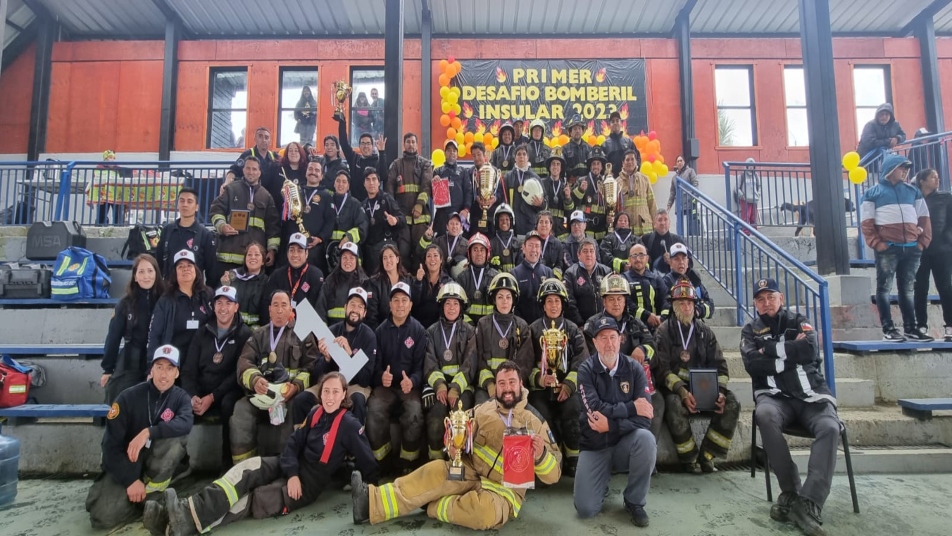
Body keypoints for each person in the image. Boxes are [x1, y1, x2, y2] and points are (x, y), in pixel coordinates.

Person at [152, 372, 379, 536]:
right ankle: (182, 511)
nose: (330, 397)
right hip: (288, 465)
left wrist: (372, 491)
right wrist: (291, 473)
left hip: (306, 486)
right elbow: (293, 443)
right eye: (326, 391)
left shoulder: (349, 424)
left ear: (343, 395)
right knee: (245, 470)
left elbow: (367, 460)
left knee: (255, 499)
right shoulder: (315, 414)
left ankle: (180, 522)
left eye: (335, 392)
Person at [351, 361, 561, 530]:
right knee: (432, 472)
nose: (507, 388)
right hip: (468, 471)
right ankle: (369, 503)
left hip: (503, 490)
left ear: (521, 384)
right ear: (496, 386)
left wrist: (541, 455)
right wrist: (453, 445)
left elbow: (554, 475)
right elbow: (458, 428)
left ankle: (434, 505)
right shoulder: (484, 409)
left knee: (484, 513)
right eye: (502, 383)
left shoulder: (535, 421)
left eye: (512, 382)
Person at [741, 278, 839, 536]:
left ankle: (810, 502)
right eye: (760, 299)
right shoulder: (750, 330)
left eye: (771, 297)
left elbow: (810, 348)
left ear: (781, 298)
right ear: (755, 303)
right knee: (764, 415)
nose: (766, 302)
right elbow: (753, 364)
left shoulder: (798, 320)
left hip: (811, 394)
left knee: (830, 427)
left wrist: (771, 349)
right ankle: (791, 491)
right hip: (774, 396)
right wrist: (790, 357)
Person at [85, 344, 192, 530]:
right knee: (102, 518)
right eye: (159, 367)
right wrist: (130, 480)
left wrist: (149, 432)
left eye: (170, 368)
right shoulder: (127, 398)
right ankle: (139, 502)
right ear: (152, 369)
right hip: (129, 462)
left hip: (155, 462)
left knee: (176, 440)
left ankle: (152, 495)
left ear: (177, 373)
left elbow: (185, 423)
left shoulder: (181, 398)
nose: (164, 374)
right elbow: (110, 447)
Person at [574, 317, 656, 527]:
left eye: (613, 337)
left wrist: (612, 425)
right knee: (585, 510)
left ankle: (634, 501)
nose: (609, 343)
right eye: (603, 338)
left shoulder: (634, 369)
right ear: (595, 342)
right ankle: (601, 482)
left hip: (624, 443)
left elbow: (645, 418)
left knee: (646, 439)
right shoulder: (585, 370)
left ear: (620, 340)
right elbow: (594, 412)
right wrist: (630, 408)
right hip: (595, 445)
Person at [656, 280, 739, 473]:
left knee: (732, 403)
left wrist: (721, 393)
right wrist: (682, 391)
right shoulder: (664, 331)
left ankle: (708, 454)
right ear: (674, 307)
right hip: (677, 391)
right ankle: (689, 458)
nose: (686, 307)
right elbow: (662, 370)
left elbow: (721, 367)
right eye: (682, 304)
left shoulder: (705, 332)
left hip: (705, 390)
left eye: (690, 303)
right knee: (674, 404)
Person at [231, 290, 317, 464]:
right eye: (275, 305)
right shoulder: (258, 335)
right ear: (269, 309)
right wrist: (255, 380)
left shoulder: (304, 335)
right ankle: (243, 468)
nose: (279, 310)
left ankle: (282, 465)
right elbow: (244, 362)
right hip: (262, 395)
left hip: (290, 395)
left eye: (284, 305)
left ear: (290, 309)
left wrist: (296, 387)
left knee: (295, 410)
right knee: (240, 412)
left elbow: (312, 366)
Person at [861, 153, 933, 342]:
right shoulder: (872, 193)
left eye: (907, 169)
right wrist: (878, 244)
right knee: (884, 289)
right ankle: (889, 329)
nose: (905, 172)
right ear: (891, 170)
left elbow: (924, 218)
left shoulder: (913, 191)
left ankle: (911, 328)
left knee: (907, 290)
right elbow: (866, 223)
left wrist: (921, 242)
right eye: (902, 168)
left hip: (912, 249)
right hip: (888, 249)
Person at [582, 275, 663, 442]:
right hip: (604, 385)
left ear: (625, 301)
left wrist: (643, 350)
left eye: (620, 298)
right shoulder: (592, 325)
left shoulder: (636, 323)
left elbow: (654, 349)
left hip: (635, 385)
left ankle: (646, 451)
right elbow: (592, 358)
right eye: (611, 299)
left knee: (657, 402)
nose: (616, 303)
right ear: (603, 302)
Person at [182, 286, 253, 468]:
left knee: (229, 404)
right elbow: (189, 370)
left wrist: (212, 397)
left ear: (236, 307)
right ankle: (181, 462)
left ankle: (226, 463)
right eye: (219, 302)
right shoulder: (202, 332)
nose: (223, 307)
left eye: (228, 303)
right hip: (202, 389)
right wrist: (193, 396)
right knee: (178, 401)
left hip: (228, 389)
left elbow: (237, 372)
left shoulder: (245, 334)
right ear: (213, 306)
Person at [528, 278, 589, 476]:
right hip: (540, 390)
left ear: (563, 304)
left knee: (573, 410)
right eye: (549, 301)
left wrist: (569, 386)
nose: (553, 305)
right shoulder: (532, 330)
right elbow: (525, 361)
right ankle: (552, 456)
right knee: (542, 415)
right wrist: (539, 378)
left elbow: (582, 361)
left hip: (567, 388)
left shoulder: (573, 331)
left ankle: (573, 457)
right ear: (542, 305)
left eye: (557, 301)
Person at [366, 282, 427, 472]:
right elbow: (374, 368)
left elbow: (420, 368)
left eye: (404, 300)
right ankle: (382, 462)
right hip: (386, 387)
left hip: (409, 387)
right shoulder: (380, 332)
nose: (400, 305)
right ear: (390, 304)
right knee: (374, 410)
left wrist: (413, 381)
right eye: (396, 300)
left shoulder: (418, 331)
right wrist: (380, 377)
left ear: (410, 305)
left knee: (415, 413)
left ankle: (407, 463)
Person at [296, 287, 378, 425]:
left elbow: (365, 379)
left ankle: (355, 441)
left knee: (357, 400)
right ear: (345, 307)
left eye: (360, 306)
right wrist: (327, 359)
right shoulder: (331, 331)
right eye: (352, 304)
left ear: (364, 313)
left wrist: (349, 354)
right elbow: (317, 374)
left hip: (355, 385)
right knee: (301, 400)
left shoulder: (369, 337)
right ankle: (301, 440)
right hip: (330, 382)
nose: (355, 309)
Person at [423, 283, 477, 460]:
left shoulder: (470, 332)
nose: (451, 308)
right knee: (435, 419)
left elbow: (470, 363)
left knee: (459, 419)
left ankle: (459, 460)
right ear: (441, 306)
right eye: (447, 304)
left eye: (455, 304)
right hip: (440, 389)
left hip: (462, 388)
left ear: (461, 307)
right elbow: (429, 363)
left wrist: (455, 388)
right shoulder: (431, 332)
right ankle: (435, 461)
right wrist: (440, 386)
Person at [101, 254, 165, 404]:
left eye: (150, 271)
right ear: (135, 277)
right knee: (119, 399)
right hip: (131, 360)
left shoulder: (165, 300)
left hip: (159, 360)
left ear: (156, 274)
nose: (146, 276)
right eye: (141, 272)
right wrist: (108, 369)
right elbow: (113, 338)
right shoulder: (125, 304)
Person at [471, 273, 534, 404]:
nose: (504, 301)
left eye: (508, 297)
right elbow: (479, 360)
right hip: (487, 387)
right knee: (482, 414)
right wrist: (490, 385)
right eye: (500, 297)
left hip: (514, 388)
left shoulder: (522, 326)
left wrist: (510, 386)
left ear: (513, 300)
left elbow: (525, 362)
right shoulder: (483, 325)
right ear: (494, 300)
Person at [211, 156, 281, 273]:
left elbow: (273, 226)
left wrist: (272, 249)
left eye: (254, 169)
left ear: (259, 173)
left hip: (253, 260)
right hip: (228, 258)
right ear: (243, 170)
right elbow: (216, 209)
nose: (251, 172)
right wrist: (222, 226)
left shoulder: (266, 196)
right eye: (248, 168)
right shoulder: (231, 189)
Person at [148, 250, 214, 359]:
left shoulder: (208, 295)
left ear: (196, 270)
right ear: (175, 273)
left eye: (189, 265)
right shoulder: (166, 300)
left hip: (204, 359)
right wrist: (152, 364)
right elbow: (155, 334)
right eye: (180, 267)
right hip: (174, 360)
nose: (186, 269)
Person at [914, 168, 952, 341]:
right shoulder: (914, 198)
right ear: (922, 181)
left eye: (938, 177)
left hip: (942, 250)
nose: (937, 180)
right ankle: (921, 325)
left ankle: (950, 326)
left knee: (945, 287)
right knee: (920, 288)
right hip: (920, 250)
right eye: (933, 177)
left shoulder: (946, 197)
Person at [387, 133, 433, 268]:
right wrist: (395, 213)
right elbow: (389, 190)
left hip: (421, 217)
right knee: (403, 253)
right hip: (402, 219)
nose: (411, 144)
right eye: (408, 142)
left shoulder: (425, 164)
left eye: (413, 142)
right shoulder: (396, 165)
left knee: (421, 252)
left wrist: (419, 205)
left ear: (417, 144)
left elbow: (426, 186)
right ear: (404, 144)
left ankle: (420, 282)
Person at [155, 187, 217, 283]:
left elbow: (212, 272)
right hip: (168, 292)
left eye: (189, 201)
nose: (185, 204)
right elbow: (158, 264)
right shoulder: (167, 231)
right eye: (182, 201)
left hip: (194, 293)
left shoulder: (205, 235)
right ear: (177, 205)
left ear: (197, 207)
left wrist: (207, 295)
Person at [262, 233, 324, 325]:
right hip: (278, 327)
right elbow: (266, 305)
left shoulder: (316, 275)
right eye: (292, 250)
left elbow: (317, 309)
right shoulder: (277, 275)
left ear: (306, 253)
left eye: (299, 251)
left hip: (304, 330)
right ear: (287, 253)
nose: (295, 255)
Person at [291, 160, 335, 273]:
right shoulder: (295, 193)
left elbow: (331, 220)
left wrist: (320, 238)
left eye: (317, 170)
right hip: (295, 247)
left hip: (315, 249)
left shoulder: (326, 196)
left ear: (321, 176)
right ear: (305, 173)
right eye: (310, 169)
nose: (313, 172)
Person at [362, 167, 408, 275]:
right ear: (364, 184)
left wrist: (395, 220)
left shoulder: (387, 199)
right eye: (368, 180)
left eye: (374, 179)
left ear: (379, 182)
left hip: (386, 247)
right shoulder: (363, 205)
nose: (371, 183)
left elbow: (403, 219)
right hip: (369, 252)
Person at [337, 112, 389, 201]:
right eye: (363, 143)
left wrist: (382, 152)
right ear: (359, 146)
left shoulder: (377, 160)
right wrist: (342, 122)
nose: (365, 146)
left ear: (372, 146)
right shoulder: (354, 159)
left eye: (368, 143)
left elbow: (383, 176)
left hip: (373, 203)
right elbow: (343, 143)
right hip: (355, 202)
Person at [495, 144, 544, 236]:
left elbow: (545, 201)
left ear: (528, 157)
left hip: (530, 224)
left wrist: (541, 204)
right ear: (515, 158)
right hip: (513, 224)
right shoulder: (508, 177)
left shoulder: (535, 178)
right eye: (519, 154)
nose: (521, 156)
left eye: (524, 154)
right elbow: (501, 197)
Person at [564, 237, 613, 327]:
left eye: (591, 251)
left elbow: (612, 299)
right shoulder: (570, 273)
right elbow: (570, 302)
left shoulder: (606, 271)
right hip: (581, 325)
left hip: (605, 324)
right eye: (585, 251)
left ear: (595, 254)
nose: (589, 254)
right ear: (578, 255)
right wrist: (580, 324)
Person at [327, 170, 370, 271]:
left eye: (344, 182)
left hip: (349, 252)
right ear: (334, 184)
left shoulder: (356, 205)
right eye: (338, 181)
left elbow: (363, 226)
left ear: (348, 186)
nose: (340, 184)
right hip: (329, 252)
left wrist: (349, 237)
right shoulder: (327, 202)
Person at [220, 242, 269, 329]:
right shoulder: (233, 276)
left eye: (257, 254)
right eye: (249, 254)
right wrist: (224, 285)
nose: (252, 257)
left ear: (263, 261)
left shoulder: (267, 282)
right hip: (232, 328)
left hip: (255, 332)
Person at [317, 242, 368, 324]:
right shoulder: (330, 280)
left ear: (357, 261)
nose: (348, 261)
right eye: (344, 258)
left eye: (351, 258)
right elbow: (320, 308)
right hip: (331, 331)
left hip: (356, 331)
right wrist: (324, 333)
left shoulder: (364, 282)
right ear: (340, 260)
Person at [365, 243, 414, 330]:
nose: (388, 260)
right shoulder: (374, 283)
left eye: (391, 256)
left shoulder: (408, 280)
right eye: (385, 258)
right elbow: (372, 316)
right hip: (382, 331)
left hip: (405, 329)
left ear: (397, 259)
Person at [660, 243, 714, 321]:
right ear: (670, 263)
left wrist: (698, 310)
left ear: (687, 262)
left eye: (683, 258)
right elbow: (665, 306)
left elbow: (710, 305)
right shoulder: (665, 282)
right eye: (677, 259)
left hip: (696, 326)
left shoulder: (695, 280)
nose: (681, 262)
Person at [512, 231, 555, 325]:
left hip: (544, 326)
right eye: (530, 245)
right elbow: (513, 304)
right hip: (521, 326)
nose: (533, 249)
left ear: (541, 249)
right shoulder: (514, 273)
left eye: (537, 246)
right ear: (523, 248)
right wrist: (521, 324)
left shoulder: (548, 272)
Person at [623, 243, 668, 333]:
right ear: (629, 260)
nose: (638, 259)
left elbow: (666, 300)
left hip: (656, 328)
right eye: (634, 256)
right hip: (631, 329)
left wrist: (662, 318)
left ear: (647, 258)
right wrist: (646, 316)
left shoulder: (657, 279)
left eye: (641, 255)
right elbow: (625, 303)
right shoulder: (623, 279)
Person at [455, 233, 498, 325]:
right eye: (475, 249)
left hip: (490, 328)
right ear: (469, 253)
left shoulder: (495, 278)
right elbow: (457, 306)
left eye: (482, 250)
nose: (479, 253)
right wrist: (469, 326)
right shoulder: (462, 278)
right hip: (467, 330)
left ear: (488, 253)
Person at [432, 140, 474, 235]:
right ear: (445, 153)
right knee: (440, 243)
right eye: (449, 150)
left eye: (454, 151)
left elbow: (468, 191)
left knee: (460, 242)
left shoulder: (463, 172)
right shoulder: (438, 171)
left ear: (457, 154)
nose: (452, 153)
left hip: (459, 214)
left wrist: (466, 209)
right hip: (442, 215)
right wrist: (434, 183)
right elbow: (432, 195)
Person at [412, 243, 454, 329]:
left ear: (441, 259)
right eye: (429, 256)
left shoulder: (448, 282)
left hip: (439, 328)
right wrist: (418, 281)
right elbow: (414, 302)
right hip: (418, 326)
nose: (432, 259)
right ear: (425, 261)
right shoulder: (418, 279)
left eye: (435, 256)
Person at [616, 149, 656, 236]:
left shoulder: (645, 180)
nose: (630, 162)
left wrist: (655, 224)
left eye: (632, 159)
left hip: (645, 229)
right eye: (627, 160)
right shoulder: (617, 182)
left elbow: (652, 203)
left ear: (636, 161)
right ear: (623, 163)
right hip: (626, 229)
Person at [573, 146, 609, 240]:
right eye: (593, 164)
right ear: (590, 166)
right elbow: (573, 203)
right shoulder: (581, 181)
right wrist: (580, 190)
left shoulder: (606, 183)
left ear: (602, 167)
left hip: (601, 231)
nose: (595, 166)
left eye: (598, 164)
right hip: (586, 229)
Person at [419, 211, 468, 276]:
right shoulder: (438, 241)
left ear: (461, 227)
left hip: (459, 279)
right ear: (447, 226)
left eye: (457, 224)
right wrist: (426, 238)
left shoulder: (467, 244)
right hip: (440, 277)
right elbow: (420, 252)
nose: (454, 226)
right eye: (452, 223)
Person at [541, 146, 574, 240]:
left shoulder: (565, 186)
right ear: (549, 167)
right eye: (553, 164)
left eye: (558, 164)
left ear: (561, 167)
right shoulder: (542, 184)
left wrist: (568, 198)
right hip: (546, 225)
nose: (555, 167)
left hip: (561, 229)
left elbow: (569, 212)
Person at [87, 150, 126, 225]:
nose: (112, 159)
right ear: (105, 159)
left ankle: (117, 226)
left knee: (117, 214)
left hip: (116, 194)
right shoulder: (99, 167)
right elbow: (95, 180)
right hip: (103, 194)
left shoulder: (118, 169)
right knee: (101, 213)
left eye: (113, 158)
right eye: (110, 157)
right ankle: (100, 226)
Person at [641, 209, 685, 275]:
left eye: (665, 220)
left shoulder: (678, 240)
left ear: (669, 223)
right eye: (660, 220)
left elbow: (689, 263)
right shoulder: (646, 239)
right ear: (654, 224)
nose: (663, 223)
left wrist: (673, 261)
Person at [669, 156, 700, 235]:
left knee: (691, 221)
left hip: (690, 201)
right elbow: (672, 192)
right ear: (676, 163)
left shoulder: (690, 171)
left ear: (684, 162)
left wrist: (694, 198)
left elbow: (695, 184)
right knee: (679, 222)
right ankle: (680, 237)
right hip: (679, 203)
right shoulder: (674, 177)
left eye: (681, 160)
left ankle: (692, 237)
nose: (679, 162)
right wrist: (669, 204)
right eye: (678, 161)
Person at [489, 203, 522, 272]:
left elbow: (521, 264)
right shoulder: (492, 243)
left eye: (507, 219)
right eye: (501, 219)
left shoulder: (517, 242)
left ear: (511, 221)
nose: (504, 222)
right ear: (497, 222)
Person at [602, 110, 636, 176]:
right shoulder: (605, 145)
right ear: (609, 126)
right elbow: (602, 164)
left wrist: (634, 171)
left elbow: (637, 158)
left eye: (617, 120)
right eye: (612, 121)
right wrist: (606, 173)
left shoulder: (629, 142)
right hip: (612, 181)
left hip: (628, 179)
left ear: (621, 123)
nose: (615, 123)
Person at [535, 211, 566, 279]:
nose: (543, 225)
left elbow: (559, 265)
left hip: (551, 280)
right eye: (541, 222)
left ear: (551, 225)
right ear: (537, 225)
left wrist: (552, 278)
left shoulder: (558, 244)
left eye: (546, 222)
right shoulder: (531, 241)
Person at [736, 158, 762, 230]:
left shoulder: (756, 176)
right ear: (746, 166)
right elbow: (737, 188)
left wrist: (758, 194)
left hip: (754, 199)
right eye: (749, 165)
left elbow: (759, 186)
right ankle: (746, 233)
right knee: (746, 217)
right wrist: (742, 196)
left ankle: (754, 232)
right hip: (745, 200)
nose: (751, 167)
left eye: (752, 165)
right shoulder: (742, 176)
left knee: (754, 217)